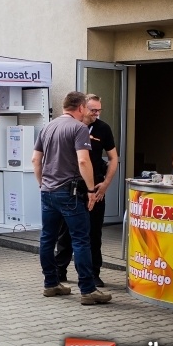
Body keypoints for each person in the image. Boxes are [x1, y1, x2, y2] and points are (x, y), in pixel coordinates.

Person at [32, 91, 112, 305]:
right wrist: (91, 190)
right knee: (81, 240)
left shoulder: (48, 126)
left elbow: (35, 160)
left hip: (48, 191)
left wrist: (42, 183)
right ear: (80, 108)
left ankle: (51, 283)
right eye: (87, 108)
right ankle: (87, 289)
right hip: (70, 192)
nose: (88, 112)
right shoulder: (79, 128)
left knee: (48, 238)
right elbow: (84, 162)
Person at [55, 94, 118, 287]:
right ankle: (60, 271)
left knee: (93, 233)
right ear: (82, 108)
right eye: (93, 110)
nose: (97, 114)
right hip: (72, 187)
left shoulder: (103, 128)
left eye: (99, 110)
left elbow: (114, 157)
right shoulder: (72, 127)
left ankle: (93, 273)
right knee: (65, 232)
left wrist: (106, 183)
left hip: (96, 187)